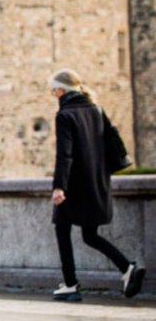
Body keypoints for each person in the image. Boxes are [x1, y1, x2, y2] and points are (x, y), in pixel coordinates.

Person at [49, 69, 144, 302]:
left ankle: (70, 284)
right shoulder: (96, 109)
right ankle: (127, 267)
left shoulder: (65, 115)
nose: (53, 95)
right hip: (97, 182)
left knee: (62, 228)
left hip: (73, 186)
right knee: (90, 235)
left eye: (53, 90)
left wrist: (59, 187)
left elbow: (65, 155)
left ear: (61, 90)